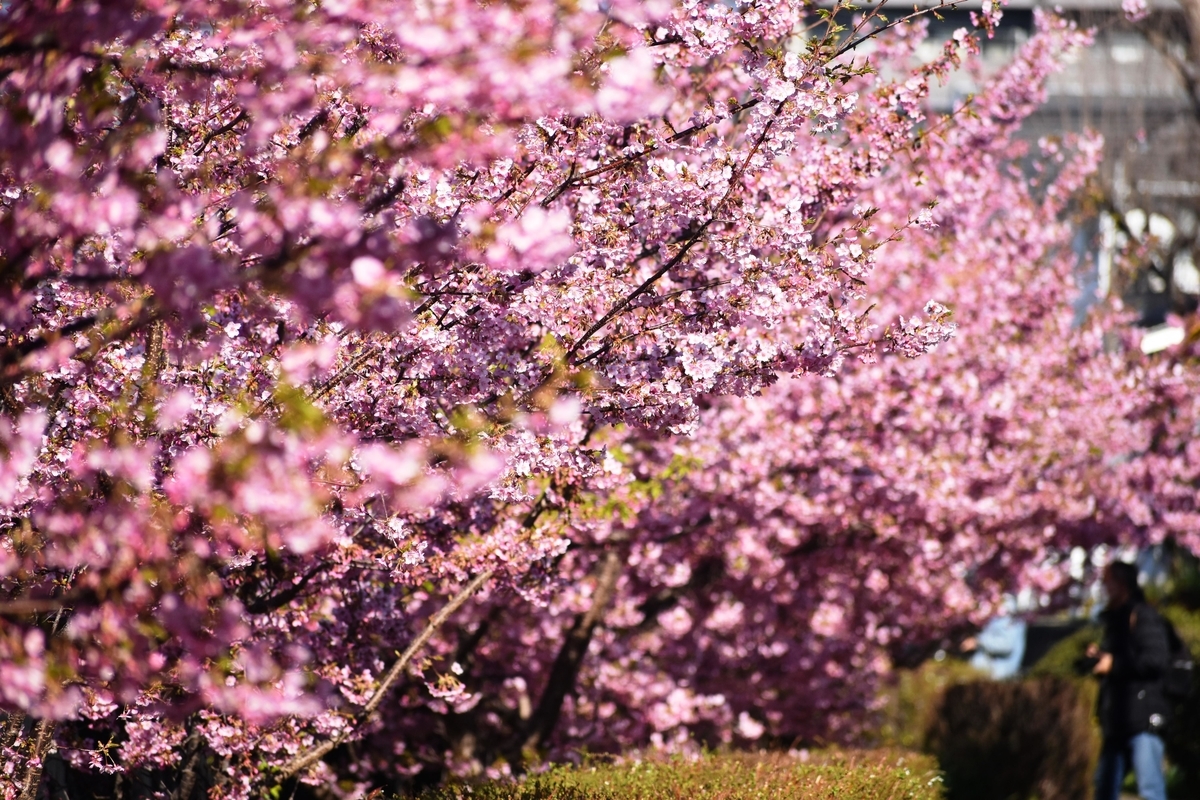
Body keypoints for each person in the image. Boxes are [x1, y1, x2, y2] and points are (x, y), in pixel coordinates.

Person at [1089, 560, 1171, 800]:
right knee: (1104, 787)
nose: (1104, 588)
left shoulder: (1142, 616)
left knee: (1150, 787)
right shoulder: (1113, 619)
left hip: (1142, 715)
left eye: (1108, 582)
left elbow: (1155, 660)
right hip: (1117, 717)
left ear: (1122, 584)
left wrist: (1114, 664)